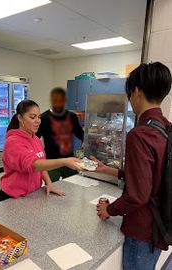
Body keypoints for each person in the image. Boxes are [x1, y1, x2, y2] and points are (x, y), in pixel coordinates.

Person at [94, 62, 172, 270]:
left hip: (142, 231)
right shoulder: (165, 127)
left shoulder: (140, 134)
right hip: (160, 227)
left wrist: (108, 209)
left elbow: (138, 195)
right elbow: (151, 175)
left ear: (136, 91)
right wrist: (108, 169)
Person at [0, 99, 83, 202]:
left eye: (39, 117)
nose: (38, 121)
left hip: (32, 194)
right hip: (12, 196)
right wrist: (64, 161)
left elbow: (41, 165)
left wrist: (49, 183)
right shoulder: (13, 142)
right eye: (32, 117)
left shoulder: (36, 140)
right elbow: (33, 165)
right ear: (20, 118)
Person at [36, 87, 84, 182]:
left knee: (72, 186)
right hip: (51, 162)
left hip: (69, 161)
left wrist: (86, 146)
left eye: (61, 100)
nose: (58, 102)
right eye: (55, 100)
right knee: (51, 189)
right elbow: (35, 139)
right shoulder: (43, 118)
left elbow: (81, 134)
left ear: (65, 100)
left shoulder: (72, 117)